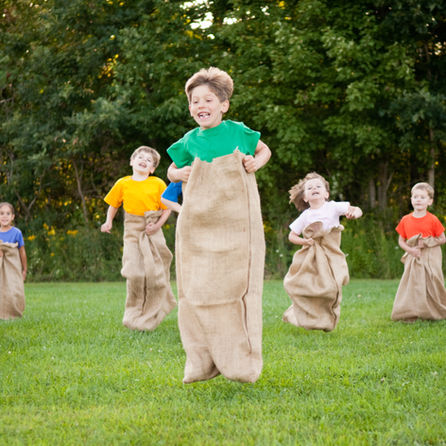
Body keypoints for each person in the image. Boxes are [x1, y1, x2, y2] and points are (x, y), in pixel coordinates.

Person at [167, 67, 271, 384]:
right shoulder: (189, 140)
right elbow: (172, 169)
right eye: (195, 101)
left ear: (223, 104)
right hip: (199, 224)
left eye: (208, 99)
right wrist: (178, 175)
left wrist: (256, 162)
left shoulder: (237, 132)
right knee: (197, 288)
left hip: (235, 224)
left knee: (235, 288)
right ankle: (201, 359)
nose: (201, 105)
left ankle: (240, 361)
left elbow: (264, 149)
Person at [101, 146, 176, 331]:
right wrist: (108, 221)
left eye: (149, 160)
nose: (143, 160)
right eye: (140, 157)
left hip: (152, 229)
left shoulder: (157, 183)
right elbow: (113, 204)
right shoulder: (123, 183)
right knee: (134, 272)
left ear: (152, 169)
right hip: (132, 231)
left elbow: (166, 208)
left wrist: (157, 226)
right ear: (131, 162)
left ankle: (152, 313)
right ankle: (133, 314)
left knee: (154, 274)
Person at [282, 172, 362, 332]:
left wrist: (354, 213)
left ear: (326, 193)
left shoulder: (332, 207)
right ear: (305, 197)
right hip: (311, 256)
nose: (314, 189)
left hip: (331, 253)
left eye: (318, 186)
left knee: (332, 286)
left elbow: (356, 209)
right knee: (309, 285)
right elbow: (291, 235)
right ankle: (300, 313)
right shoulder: (305, 215)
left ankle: (327, 317)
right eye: (310, 188)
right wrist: (304, 241)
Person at [392, 182, 446, 322]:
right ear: (411, 200)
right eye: (415, 196)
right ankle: (409, 312)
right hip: (413, 255)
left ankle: (435, 310)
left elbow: (442, 239)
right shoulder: (406, 220)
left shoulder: (433, 219)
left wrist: (428, 242)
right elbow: (401, 241)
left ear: (430, 201)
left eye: (422, 197)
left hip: (430, 256)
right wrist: (411, 250)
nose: (418, 200)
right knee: (412, 283)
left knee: (432, 282)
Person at [0, 202, 27, 319]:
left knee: (14, 290)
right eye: (1, 213)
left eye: (8, 213)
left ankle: (14, 312)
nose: (4, 216)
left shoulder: (17, 233)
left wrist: (24, 269)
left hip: (12, 267)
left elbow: (22, 252)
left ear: (13, 217)